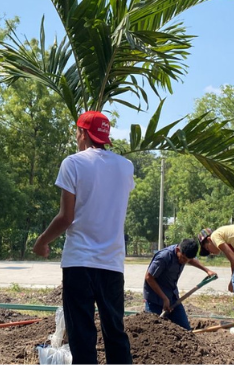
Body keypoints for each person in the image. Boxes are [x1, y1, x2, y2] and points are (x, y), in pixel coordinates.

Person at [32, 111, 134, 364]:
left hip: (79, 263)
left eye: (77, 132)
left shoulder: (73, 163)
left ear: (83, 134)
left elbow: (66, 217)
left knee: (82, 335)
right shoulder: (125, 166)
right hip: (111, 263)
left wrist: (42, 241)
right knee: (115, 331)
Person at [143, 238, 217, 330]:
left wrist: (207, 270)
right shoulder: (163, 257)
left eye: (188, 260)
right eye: (183, 258)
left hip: (172, 297)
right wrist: (164, 298)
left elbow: (190, 260)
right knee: (152, 331)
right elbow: (149, 277)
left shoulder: (184, 254)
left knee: (186, 331)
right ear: (178, 250)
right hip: (154, 300)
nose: (185, 261)